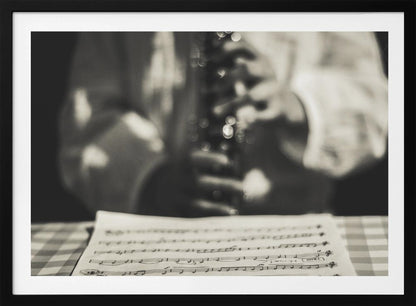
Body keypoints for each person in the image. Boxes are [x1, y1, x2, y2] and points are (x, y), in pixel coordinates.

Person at [59, 32, 387, 217]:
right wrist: (152, 180)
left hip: (294, 220)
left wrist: (297, 107)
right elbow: (87, 117)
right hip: (160, 223)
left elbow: (376, 110)